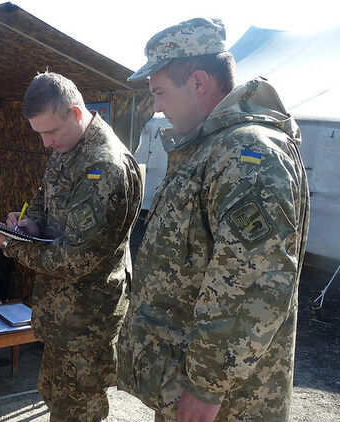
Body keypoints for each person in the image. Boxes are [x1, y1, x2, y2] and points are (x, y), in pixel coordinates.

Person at [116, 18, 310, 422]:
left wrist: (208, 386)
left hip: (226, 403)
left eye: (159, 92)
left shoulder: (247, 153)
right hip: (191, 386)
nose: (157, 107)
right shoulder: (211, 148)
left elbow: (253, 280)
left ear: (198, 82)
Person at [0, 71, 144, 422]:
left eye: (49, 132)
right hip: (62, 314)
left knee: (77, 411)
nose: (45, 144)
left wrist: (8, 243)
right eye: (39, 134)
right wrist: (31, 222)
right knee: (56, 397)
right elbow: (44, 195)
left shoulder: (103, 165)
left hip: (87, 320)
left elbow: (74, 258)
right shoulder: (68, 146)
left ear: (75, 113)